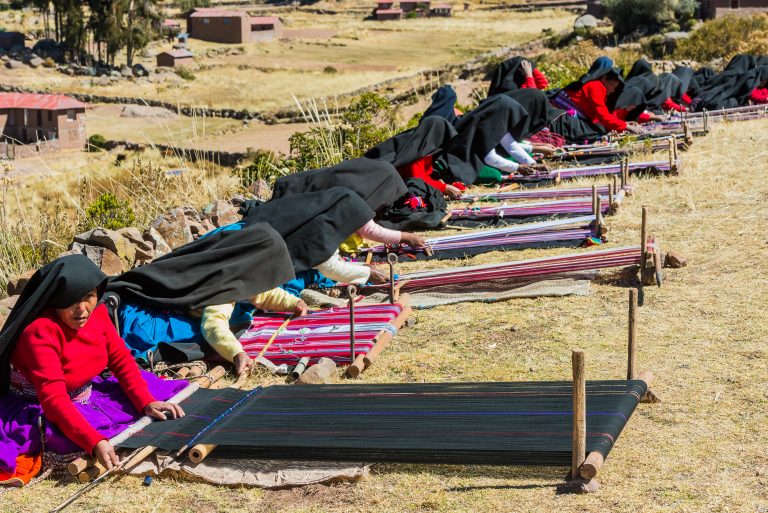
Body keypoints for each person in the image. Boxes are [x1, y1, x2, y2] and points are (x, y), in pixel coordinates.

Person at [0, 255, 188, 484]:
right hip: (40, 408)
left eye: (89, 297)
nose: (82, 309)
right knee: (74, 438)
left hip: (84, 395)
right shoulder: (40, 332)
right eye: (71, 301)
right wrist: (93, 441)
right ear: (55, 300)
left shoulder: (98, 314)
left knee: (153, 397)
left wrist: (145, 401)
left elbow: (120, 359)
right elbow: (54, 400)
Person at [553, 57, 644, 135]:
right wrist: (625, 126)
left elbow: (602, 114)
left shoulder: (594, 85)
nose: (613, 90)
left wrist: (623, 124)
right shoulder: (596, 86)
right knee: (594, 133)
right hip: (564, 120)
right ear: (604, 78)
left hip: (567, 118)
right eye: (612, 85)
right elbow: (603, 116)